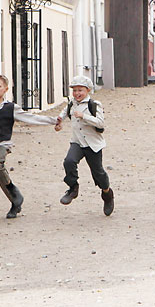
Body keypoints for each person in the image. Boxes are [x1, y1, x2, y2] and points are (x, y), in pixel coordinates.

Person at [0, 75, 61, 219]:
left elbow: (30, 117)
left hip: (3, 142)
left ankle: (13, 191)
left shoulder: (11, 108)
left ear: (6, 89)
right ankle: (15, 202)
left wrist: (52, 121)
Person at [55, 75, 115, 216]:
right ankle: (73, 188)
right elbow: (62, 115)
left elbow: (101, 123)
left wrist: (84, 116)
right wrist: (58, 122)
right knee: (69, 162)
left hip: (92, 144)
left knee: (98, 173)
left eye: (80, 90)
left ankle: (107, 194)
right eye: (74, 90)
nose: (77, 93)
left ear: (87, 90)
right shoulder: (71, 104)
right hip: (77, 142)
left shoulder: (94, 105)